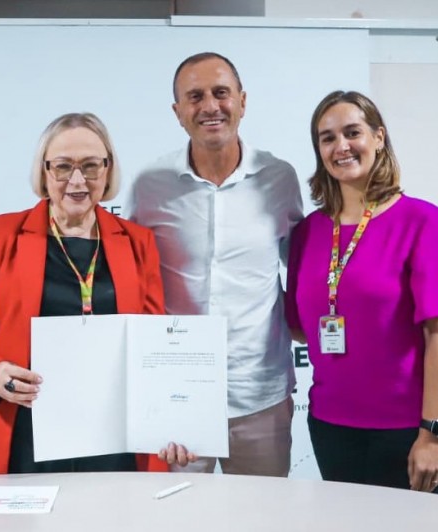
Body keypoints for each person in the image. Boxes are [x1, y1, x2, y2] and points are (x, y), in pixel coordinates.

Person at [0, 112, 192, 475]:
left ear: (107, 169)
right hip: (24, 429)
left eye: (91, 166)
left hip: (113, 435)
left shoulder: (138, 243)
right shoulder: (0, 235)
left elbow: (154, 346)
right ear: (44, 171)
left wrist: (173, 418)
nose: (77, 180)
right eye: (63, 167)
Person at [285, 90, 438, 493]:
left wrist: (433, 433)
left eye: (352, 132)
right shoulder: (308, 231)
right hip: (332, 427)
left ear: (378, 137)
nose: (341, 146)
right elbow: (301, 327)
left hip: (410, 428)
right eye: (327, 138)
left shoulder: (423, 221)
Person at [128, 52, 303, 475]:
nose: (210, 106)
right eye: (195, 96)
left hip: (259, 392)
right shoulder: (149, 186)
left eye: (221, 93)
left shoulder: (280, 178)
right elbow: (130, 278)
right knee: (178, 517)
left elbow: (301, 271)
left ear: (242, 101)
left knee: (262, 518)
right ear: (178, 112)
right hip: (176, 398)